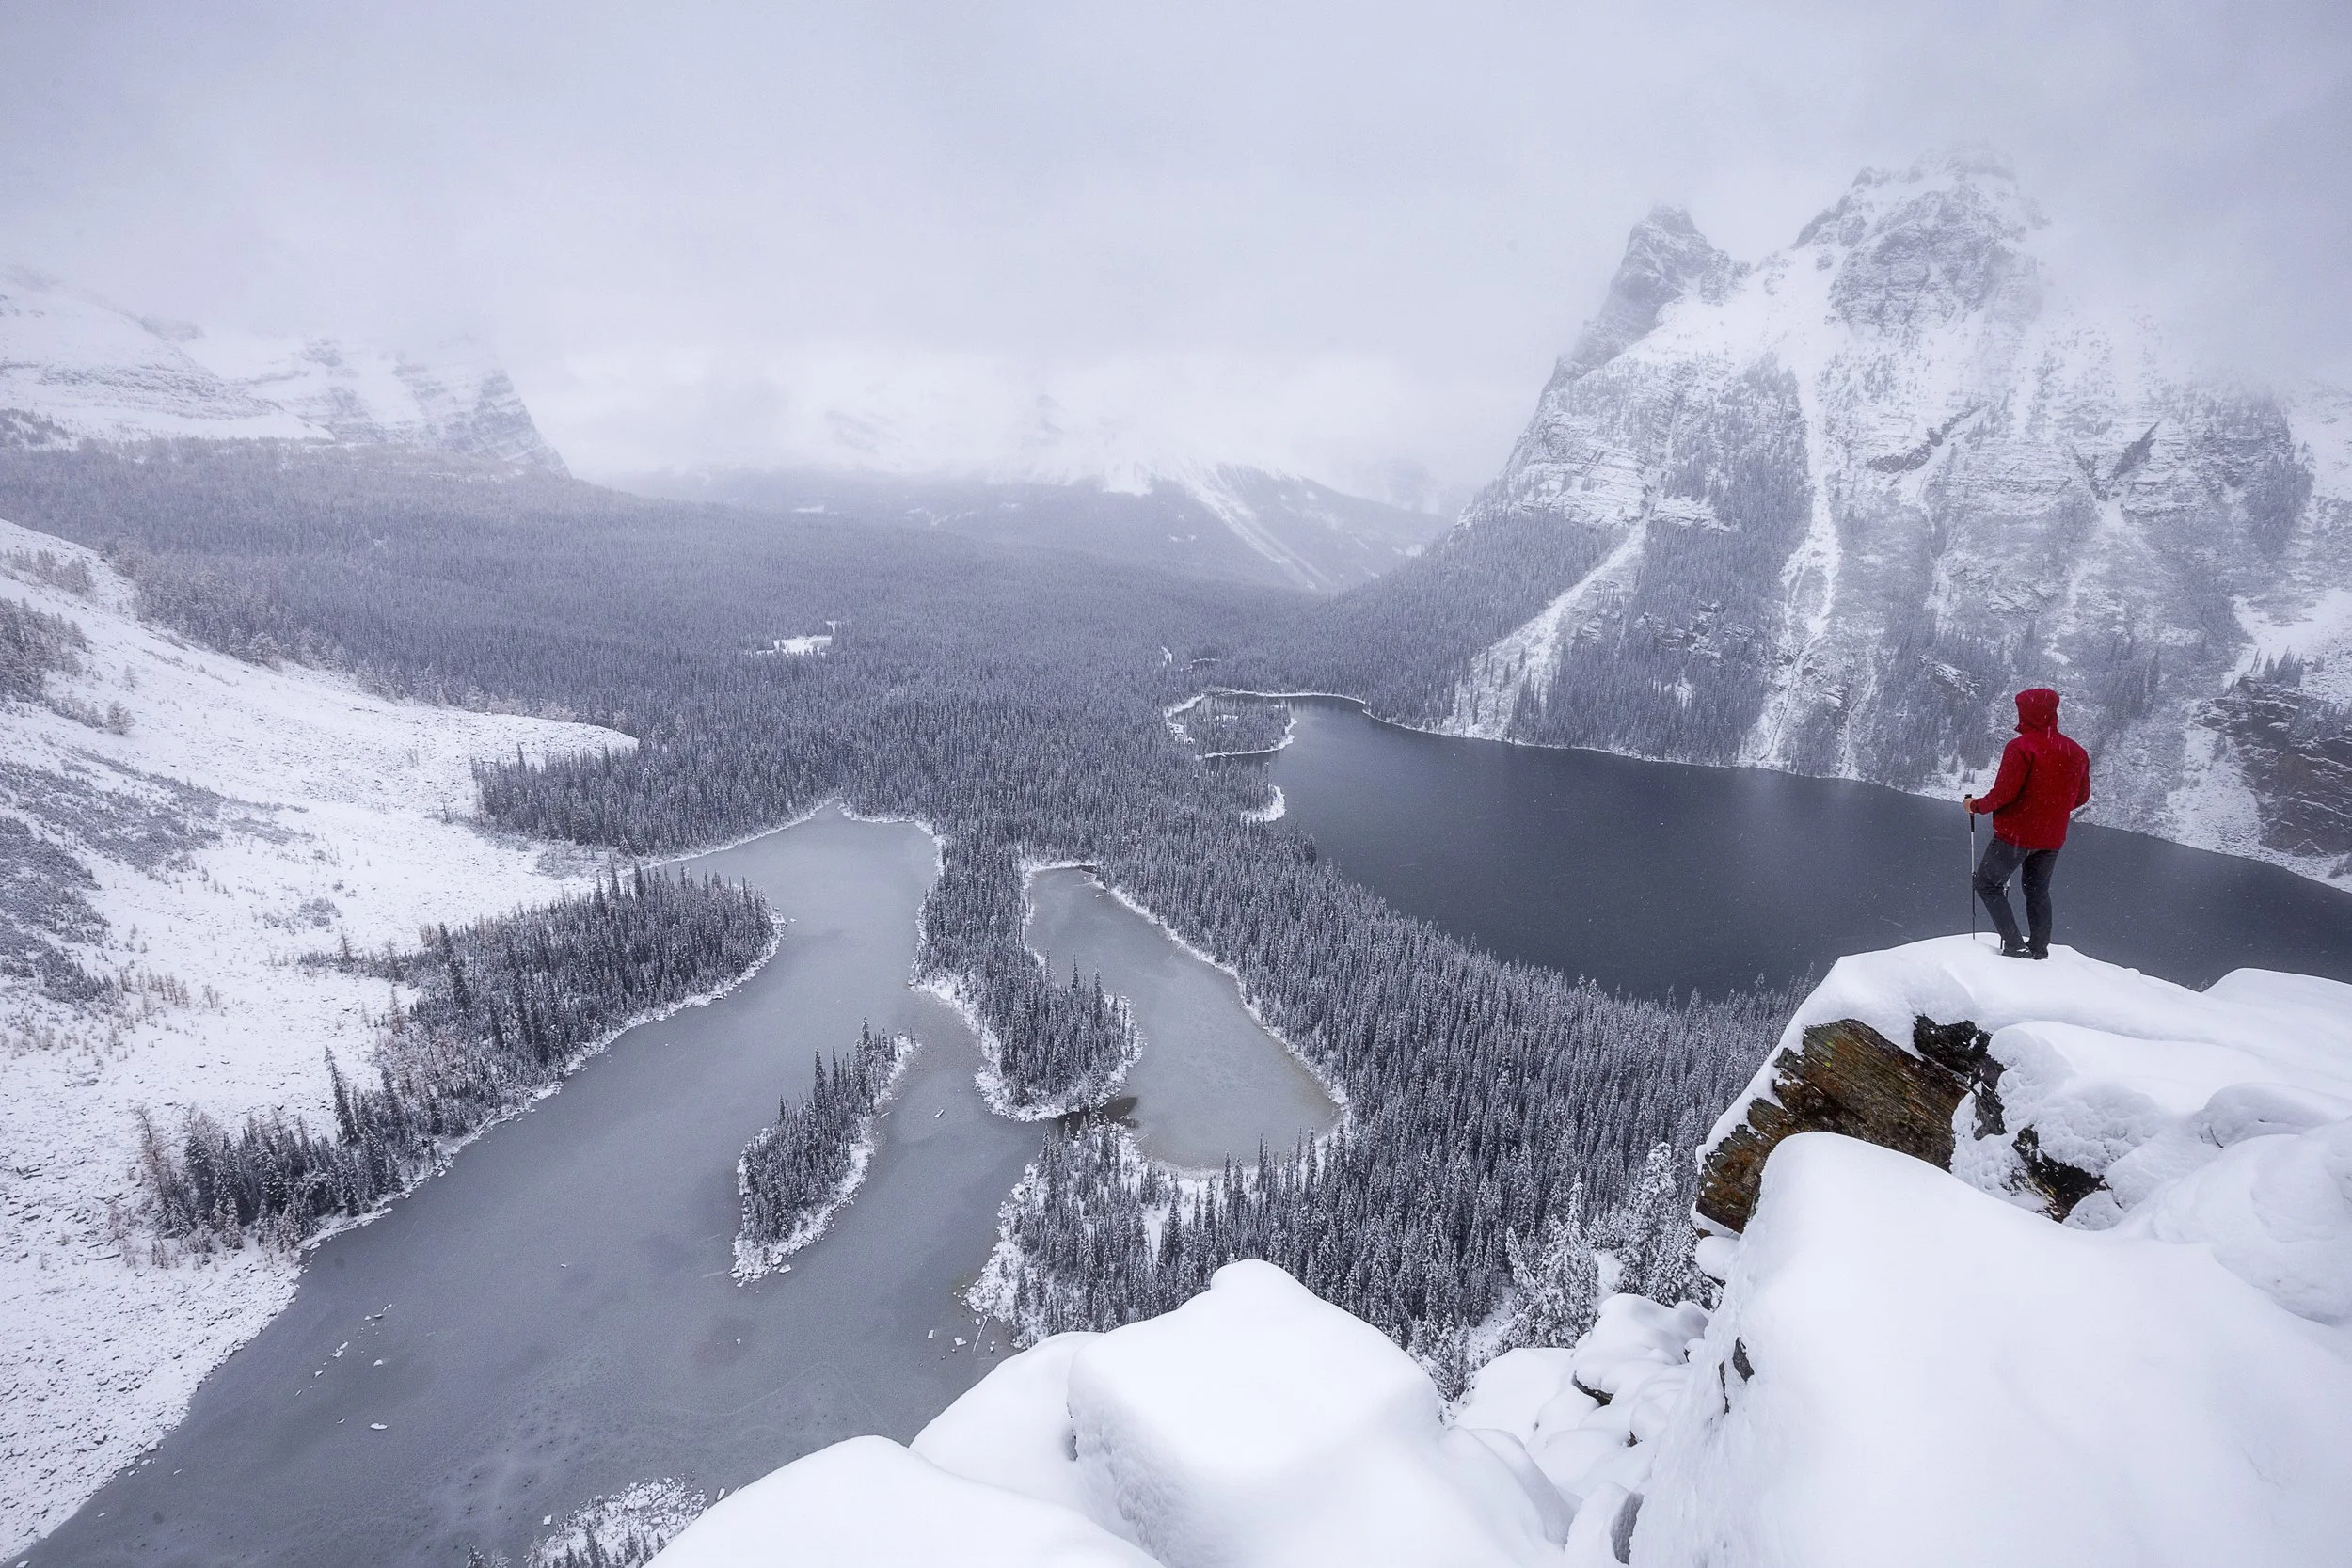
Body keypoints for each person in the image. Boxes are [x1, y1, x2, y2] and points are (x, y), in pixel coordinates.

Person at [1963, 687, 2091, 959]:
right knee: (2037, 890)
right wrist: (2051, 812)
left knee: (1987, 884)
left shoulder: (2021, 747)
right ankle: (2039, 948)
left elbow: (2004, 793)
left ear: (2026, 712)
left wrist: (1975, 806)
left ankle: (2014, 945)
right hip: (2051, 838)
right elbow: (2081, 797)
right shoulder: (2076, 751)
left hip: (2015, 836)